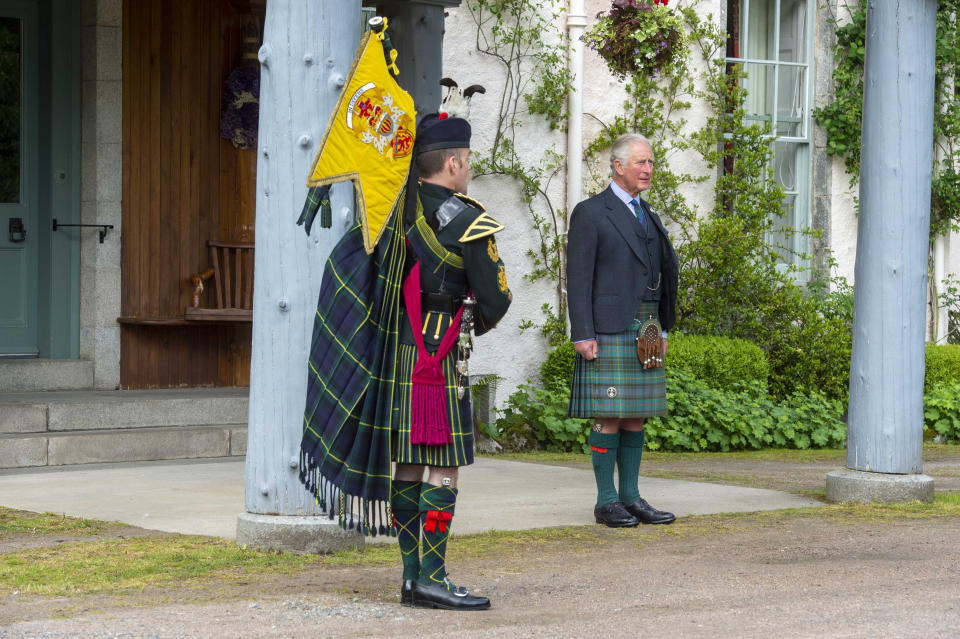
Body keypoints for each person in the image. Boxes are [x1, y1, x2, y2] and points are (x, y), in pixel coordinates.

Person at [389, 112, 512, 610]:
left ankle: (411, 578)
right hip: (440, 355)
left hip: (399, 350)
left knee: (408, 464)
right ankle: (433, 578)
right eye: (467, 162)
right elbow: (496, 297)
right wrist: (469, 323)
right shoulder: (469, 219)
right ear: (454, 162)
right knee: (443, 468)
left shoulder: (393, 209)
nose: (468, 169)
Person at [566, 133, 679, 528]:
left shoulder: (649, 215)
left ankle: (631, 497)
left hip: (646, 325)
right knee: (608, 414)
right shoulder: (592, 212)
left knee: (637, 414)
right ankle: (606, 500)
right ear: (618, 166)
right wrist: (582, 332)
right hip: (609, 328)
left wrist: (663, 326)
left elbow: (662, 273)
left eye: (651, 163)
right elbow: (578, 277)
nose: (648, 170)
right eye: (641, 163)